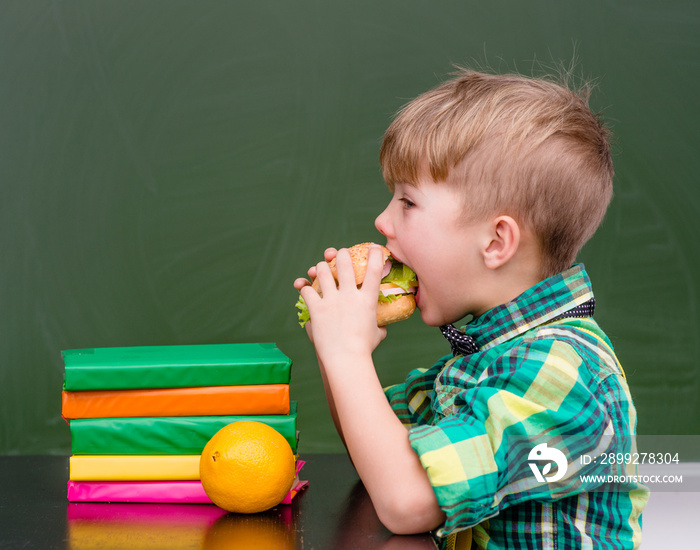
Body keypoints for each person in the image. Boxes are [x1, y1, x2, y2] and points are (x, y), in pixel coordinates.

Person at [294, 68, 648, 549]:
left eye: (408, 202)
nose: (382, 221)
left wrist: (347, 355)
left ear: (496, 241)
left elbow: (408, 501)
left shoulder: (557, 370)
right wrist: (331, 343)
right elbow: (381, 459)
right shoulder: (487, 356)